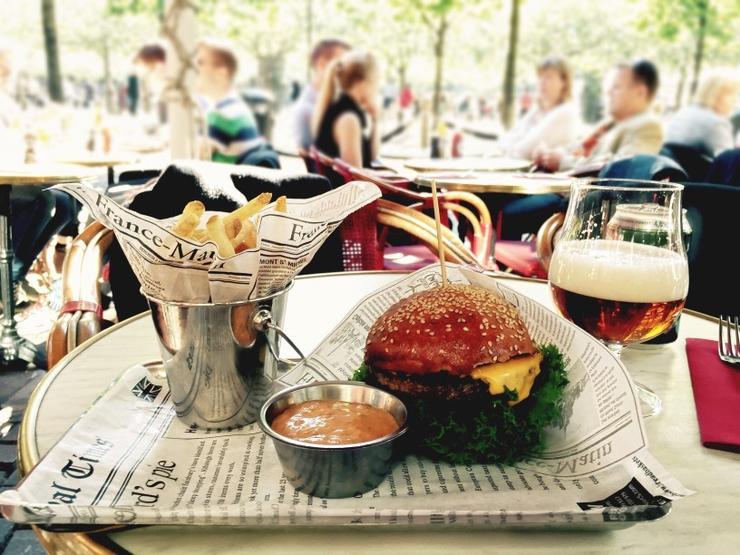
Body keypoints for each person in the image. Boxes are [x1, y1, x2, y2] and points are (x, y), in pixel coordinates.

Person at [536, 59, 663, 172]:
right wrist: (551, 155)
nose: (607, 92)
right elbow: (579, 146)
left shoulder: (649, 126)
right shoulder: (611, 122)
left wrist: (563, 162)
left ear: (640, 92)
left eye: (616, 87)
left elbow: (622, 168)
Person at [195, 38, 264, 164]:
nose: (193, 69)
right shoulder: (234, 107)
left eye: (200, 63)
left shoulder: (222, 116)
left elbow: (194, 160)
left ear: (221, 72)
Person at [500, 56, 580, 160]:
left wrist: (507, 148)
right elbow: (505, 140)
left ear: (563, 82)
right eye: (540, 77)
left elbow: (524, 151)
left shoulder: (565, 113)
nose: (542, 82)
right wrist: (508, 147)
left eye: (549, 77)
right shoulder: (537, 111)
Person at [312, 50, 380, 169]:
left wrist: (375, 121)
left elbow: (373, 159)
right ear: (361, 83)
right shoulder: (348, 119)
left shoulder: (342, 108)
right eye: (375, 83)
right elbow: (356, 180)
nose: (376, 89)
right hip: (346, 187)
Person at [293, 39, 350, 151]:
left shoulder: (335, 103)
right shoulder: (307, 110)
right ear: (321, 64)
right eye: (342, 65)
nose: (349, 72)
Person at [665, 72, 739, 157]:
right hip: (697, 169)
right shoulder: (717, 124)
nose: (735, 100)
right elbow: (728, 162)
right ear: (717, 95)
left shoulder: (683, 113)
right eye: (732, 95)